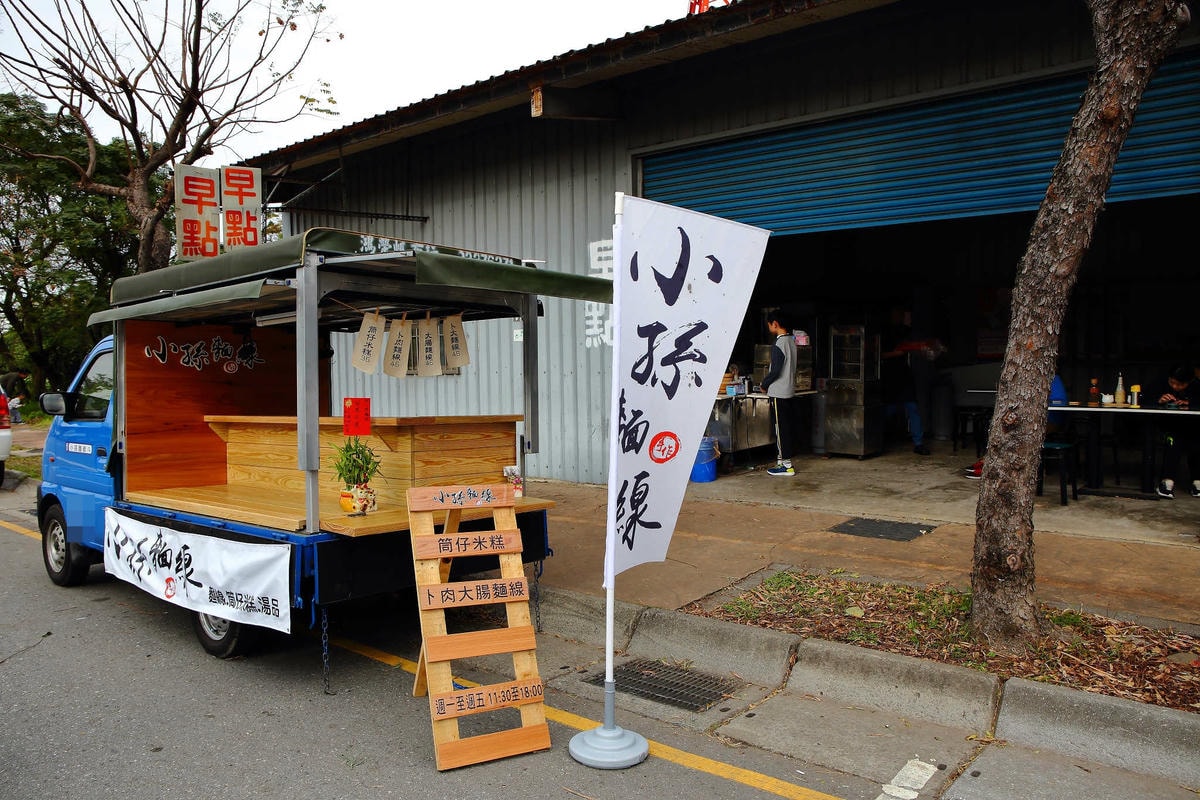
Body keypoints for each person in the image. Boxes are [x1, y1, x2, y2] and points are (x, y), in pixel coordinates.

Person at [964, 373, 1068, 480]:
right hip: (1033, 420)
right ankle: (991, 462)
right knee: (1003, 427)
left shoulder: (1051, 378)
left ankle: (995, 468)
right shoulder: (1032, 376)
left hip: (1050, 421)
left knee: (1015, 433)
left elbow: (1058, 402)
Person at [881, 308, 941, 455]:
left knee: (913, 408)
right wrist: (895, 353)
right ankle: (878, 438)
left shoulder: (906, 331)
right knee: (888, 410)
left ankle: (918, 443)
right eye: (896, 314)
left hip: (904, 375)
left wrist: (926, 347)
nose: (899, 317)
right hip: (889, 375)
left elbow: (914, 345)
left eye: (901, 315)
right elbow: (877, 354)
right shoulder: (884, 333)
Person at [1148, 364, 1200, 499]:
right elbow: (1145, 400)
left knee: (1196, 443)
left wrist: (1191, 403)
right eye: (1172, 383)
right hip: (1167, 426)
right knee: (1174, 442)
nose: (1175, 387)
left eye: (1180, 384)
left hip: (1192, 427)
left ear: (1189, 382)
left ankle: (1197, 482)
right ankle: (1167, 482)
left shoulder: (1196, 387)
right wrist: (1159, 401)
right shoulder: (1159, 384)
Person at [760, 311, 799, 477]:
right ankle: (781, 461)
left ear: (774, 324)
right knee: (785, 426)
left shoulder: (779, 344)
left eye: (769, 324)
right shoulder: (791, 341)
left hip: (778, 392)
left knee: (779, 428)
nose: (769, 327)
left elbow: (775, 370)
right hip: (789, 390)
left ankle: (786, 465)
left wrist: (764, 384)